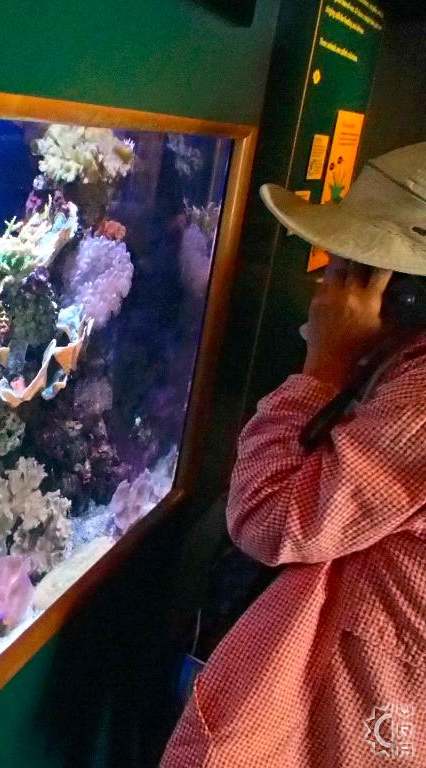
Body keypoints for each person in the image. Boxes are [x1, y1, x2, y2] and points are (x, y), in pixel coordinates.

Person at [161, 142, 426, 767]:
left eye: (350, 267)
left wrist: (324, 365)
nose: (325, 280)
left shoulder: (418, 403)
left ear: (405, 296)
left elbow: (269, 520)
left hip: (346, 723)